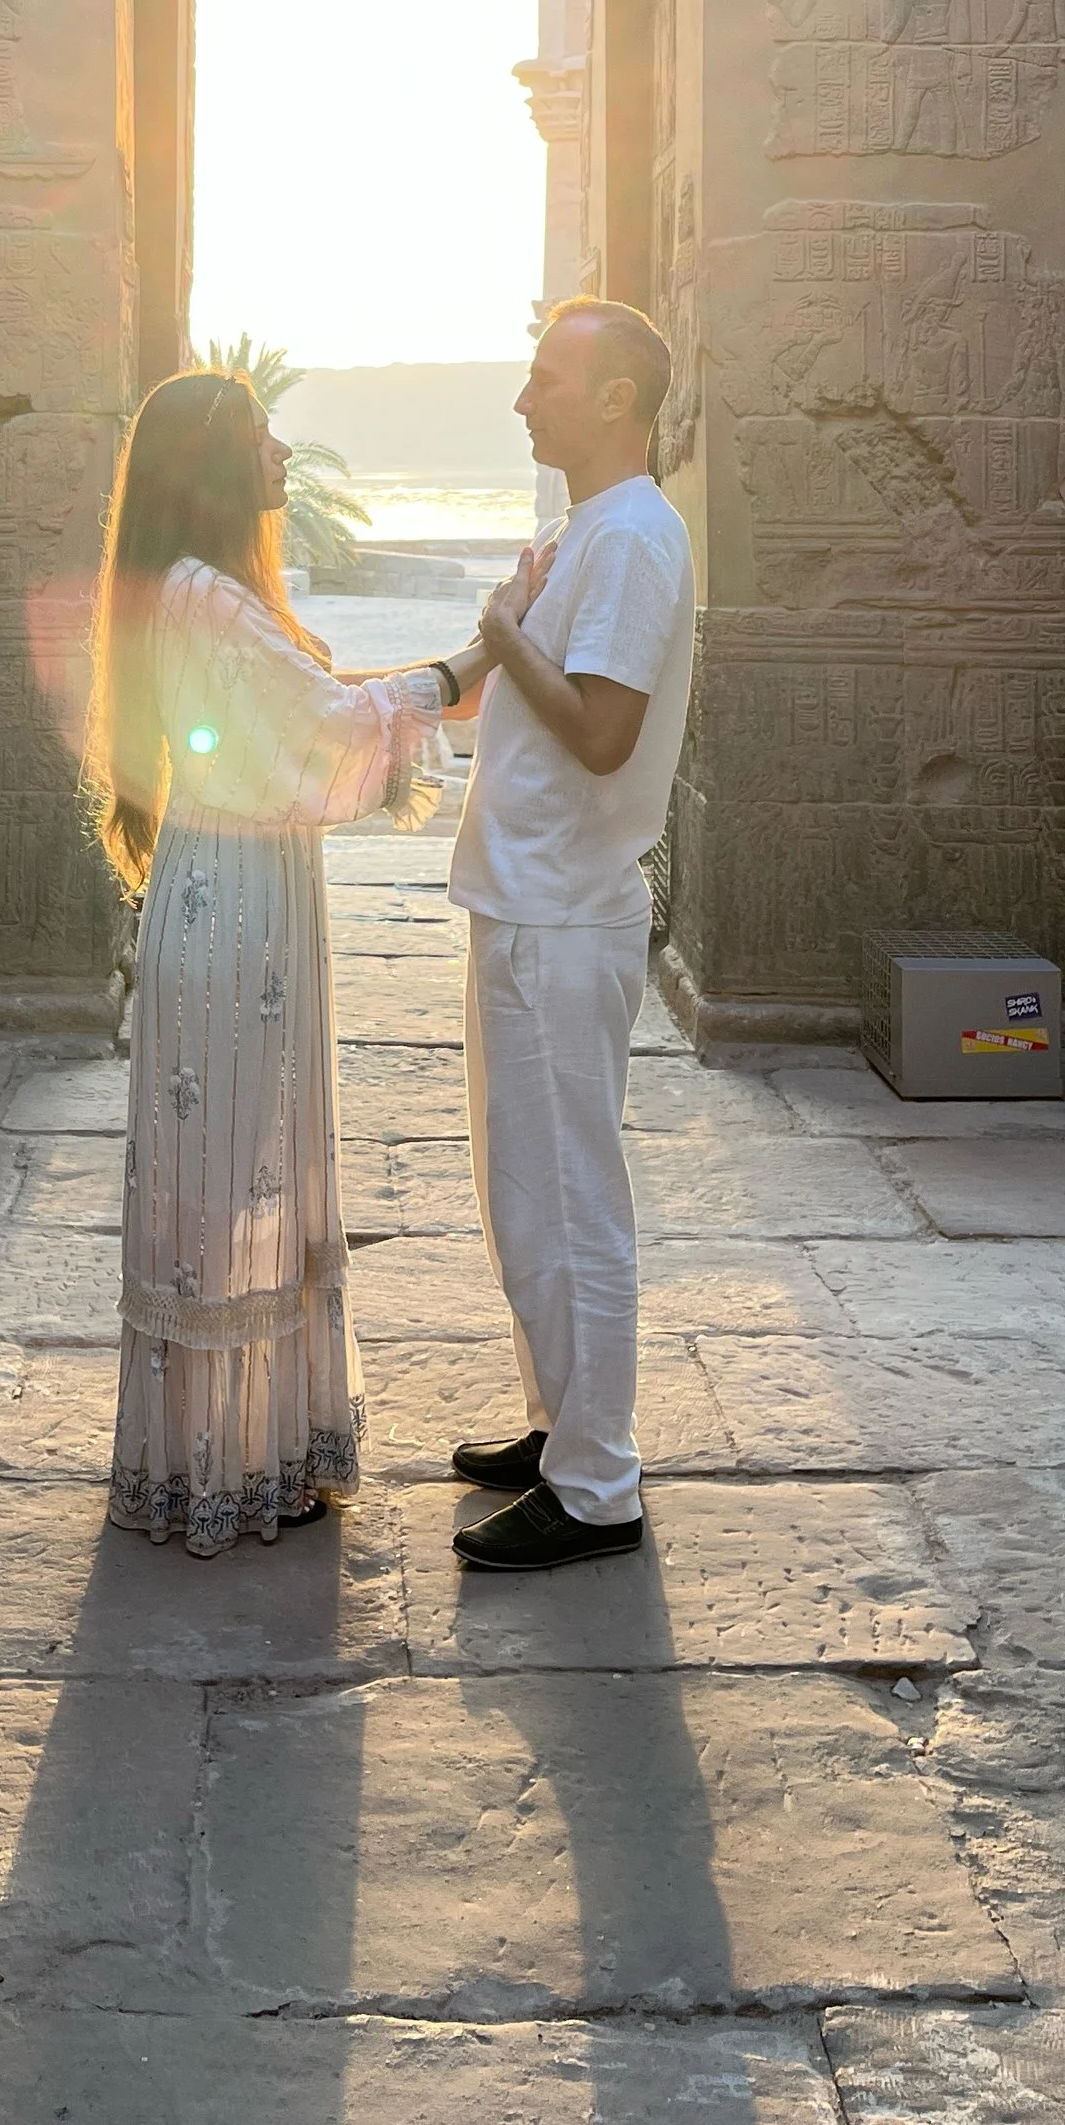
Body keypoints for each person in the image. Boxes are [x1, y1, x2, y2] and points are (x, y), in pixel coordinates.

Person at [85, 369, 447, 1558]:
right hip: (236, 901)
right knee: (234, 1169)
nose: (285, 454)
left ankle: (239, 1452)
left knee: (240, 1165)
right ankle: (225, 1463)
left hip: (235, 884)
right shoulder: (207, 599)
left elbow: (301, 721)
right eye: (261, 438)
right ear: (214, 470)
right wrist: (462, 670)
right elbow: (331, 733)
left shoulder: (189, 592)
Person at [434, 298, 697, 1571]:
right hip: (520, 895)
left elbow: (601, 732)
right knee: (522, 1195)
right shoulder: (580, 533)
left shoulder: (636, 538)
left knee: (576, 1199)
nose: (523, 400)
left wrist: (498, 635)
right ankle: (559, 1430)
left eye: (546, 378)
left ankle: (598, 1487)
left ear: (615, 399)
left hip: (565, 909)